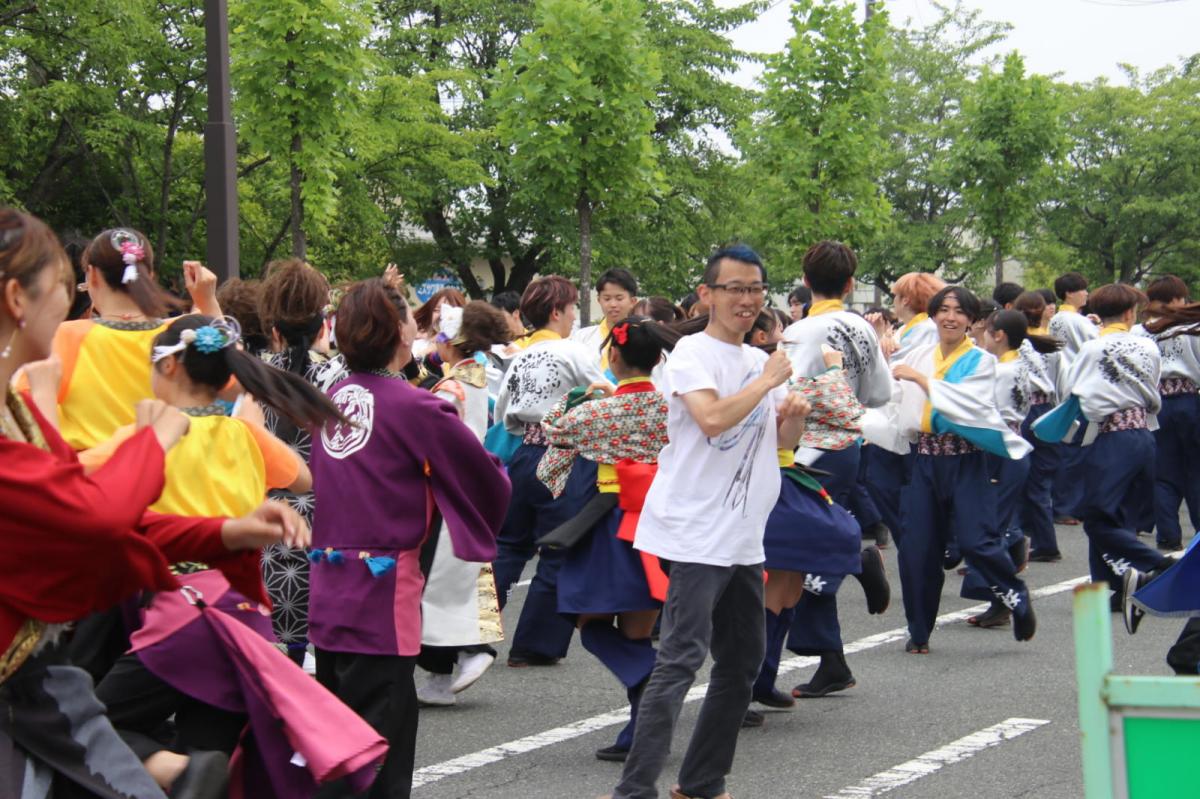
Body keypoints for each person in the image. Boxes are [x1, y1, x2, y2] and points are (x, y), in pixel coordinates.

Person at [0, 207, 311, 798]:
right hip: (121, 596)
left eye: (75, 287)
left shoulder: (66, 351)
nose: (70, 304)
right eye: (61, 290)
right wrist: (152, 447)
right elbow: (82, 515)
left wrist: (223, 532)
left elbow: (79, 511)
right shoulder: (202, 389)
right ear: (18, 298)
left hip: (112, 595)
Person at [80, 313, 355, 794]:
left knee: (84, 728)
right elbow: (303, 479)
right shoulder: (246, 436)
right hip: (245, 619)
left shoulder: (146, 438)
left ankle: (172, 769)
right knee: (210, 766)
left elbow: (76, 487)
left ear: (167, 368)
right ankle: (182, 770)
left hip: (181, 615)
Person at [604, 244, 807, 799]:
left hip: (743, 531)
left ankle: (701, 782)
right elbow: (714, 420)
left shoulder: (760, 362)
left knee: (742, 661)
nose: (746, 299)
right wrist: (767, 383)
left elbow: (779, 444)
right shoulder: (692, 353)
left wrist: (793, 416)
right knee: (680, 661)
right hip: (696, 531)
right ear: (708, 294)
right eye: (734, 288)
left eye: (755, 289)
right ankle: (634, 789)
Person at [309, 277, 510, 799]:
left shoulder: (333, 397)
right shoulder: (415, 406)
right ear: (401, 332)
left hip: (329, 583)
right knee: (381, 745)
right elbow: (483, 478)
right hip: (382, 590)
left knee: (335, 736)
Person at [537, 316, 678, 761]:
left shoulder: (598, 412)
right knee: (639, 626)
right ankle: (641, 731)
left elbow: (551, 429)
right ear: (658, 359)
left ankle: (650, 676)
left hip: (612, 517)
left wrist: (581, 395)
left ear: (612, 357)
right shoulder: (674, 408)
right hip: (661, 519)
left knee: (590, 621)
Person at [776, 241, 893, 698]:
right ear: (850, 284)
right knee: (800, 549)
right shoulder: (861, 327)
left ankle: (855, 560)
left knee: (798, 549)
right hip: (850, 442)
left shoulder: (801, 332)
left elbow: (788, 394)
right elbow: (880, 392)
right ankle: (832, 659)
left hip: (810, 448)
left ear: (805, 281)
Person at [892, 286, 1037, 652]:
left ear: (973, 320)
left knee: (978, 541)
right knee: (918, 550)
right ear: (933, 315)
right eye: (943, 309)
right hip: (926, 459)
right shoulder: (921, 353)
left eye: (959, 311)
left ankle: (1015, 595)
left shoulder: (983, 362)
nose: (951, 317)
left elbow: (964, 405)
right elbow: (895, 398)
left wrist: (920, 380)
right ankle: (919, 632)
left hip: (967, 458)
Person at [1032, 283, 1172, 611]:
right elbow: (1154, 387)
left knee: (1096, 516)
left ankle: (1155, 564)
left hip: (1111, 437)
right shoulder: (1147, 347)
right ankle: (1114, 587)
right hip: (1143, 434)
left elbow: (1071, 391)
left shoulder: (1093, 349)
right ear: (1129, 312)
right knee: (1119, 515)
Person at [492, 276, 607, 666]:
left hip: (524, 451)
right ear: (557, 311)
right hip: (562, 455)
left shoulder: (520, 356)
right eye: (572, 308)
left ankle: (471, 637)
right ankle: (532, 645)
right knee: (558, 549)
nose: (574, 316)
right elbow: (605, 392)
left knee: (508, 546)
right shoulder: (572, 352)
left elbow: (501, 413)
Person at [26, 227, 221, 450]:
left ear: (92, 275)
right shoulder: (182, 334)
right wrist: (208, 302)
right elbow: (233, 374)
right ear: (149, 276)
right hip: (167, 473)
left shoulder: (63, 336)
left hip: (91, 476)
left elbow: (29, 412)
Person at [416, 301, 515, 706]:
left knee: (432, 582)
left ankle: (471, 650)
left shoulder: (452, 386)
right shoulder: (471, 377)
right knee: (455, 578)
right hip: (466, 484)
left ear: (450, 341)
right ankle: (444, 674)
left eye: (439, 333)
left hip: (445, 489)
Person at [256, 258, 339, 665]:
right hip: (330, 520)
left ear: (273, 330)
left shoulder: (255, 377)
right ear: (323, 326)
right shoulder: (341, 379)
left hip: (270, 520)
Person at [963, 309, 1061, 627]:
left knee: (987, 525)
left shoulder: (1001, 372)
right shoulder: (1019, 362)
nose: (982, 336)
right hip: (1014, 446)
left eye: (986, 331)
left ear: (999, 335)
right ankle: (1014, 546)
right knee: (996, 520)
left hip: (999, 448)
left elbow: (984, 409)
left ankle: (1002, 596)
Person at [1135, 275, 1200, 551]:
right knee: (1195, 469)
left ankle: (1168, 535)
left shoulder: (1140, 331)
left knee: (1164, 472)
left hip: (1157, 403)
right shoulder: (1193, 327)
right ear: (1176, 299)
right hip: (1190, 400)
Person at [1012, 291, 1065, 562]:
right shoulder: (1051, 345)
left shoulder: (1017, 344)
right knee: (1041, 481)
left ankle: (1027, 540)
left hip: (1024, 411)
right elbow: (1060, 382)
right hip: (1049, 410)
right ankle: (1043, 540)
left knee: (1019, 478)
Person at [573, 268, 639, 372]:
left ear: (633, 301)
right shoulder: (582, 338)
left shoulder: (643, 338)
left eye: (619, 298)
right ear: (599, 300)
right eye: (607, 299)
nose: (613, 305)